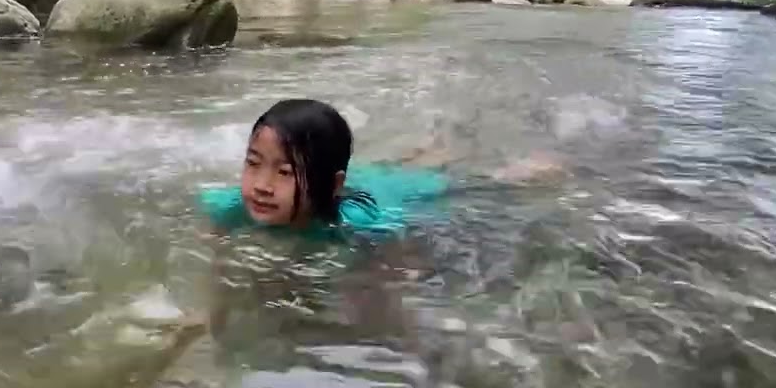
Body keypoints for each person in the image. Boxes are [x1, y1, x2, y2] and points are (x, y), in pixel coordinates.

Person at [196, 98, 563, 242]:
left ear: (331, 185)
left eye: (285, 172)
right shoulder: (229, 207)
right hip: (364, 176)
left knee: (462, 186)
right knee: (399, 165)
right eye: (253, 164)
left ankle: (512, 172)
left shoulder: (361, 223)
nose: (261, 185)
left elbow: (399, 258)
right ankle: (431, 146)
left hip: (389, 192)